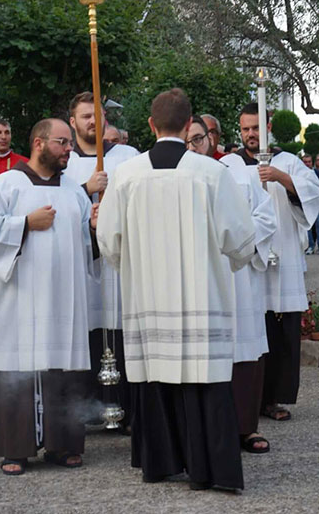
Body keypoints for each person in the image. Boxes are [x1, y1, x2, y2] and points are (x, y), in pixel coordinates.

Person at [97, 88, 256, 492]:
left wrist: (134, 262)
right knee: (203, 377)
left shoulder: (126, 175)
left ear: (151, 125)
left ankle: (161, 462)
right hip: (202, 298)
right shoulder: (210, 173)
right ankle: (209, 470)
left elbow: (109, 242)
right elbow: (239, 240)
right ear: (189, 126)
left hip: (147, 301)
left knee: (156, 376)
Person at [0, 118, 97, 475]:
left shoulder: (74, 190)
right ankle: (14, 447)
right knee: (16, 365)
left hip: (63, 298)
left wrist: (93, 226)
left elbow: (88, 245)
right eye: (62, 142)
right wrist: (26, 223)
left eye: (70, 143)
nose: (69, 149)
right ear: (39, 143)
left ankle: (63, 444)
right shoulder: (6, 185)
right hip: (18, 298)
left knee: (62, 364)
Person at [188, 114, 276, 453]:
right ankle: (205, 430)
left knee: (243, 346)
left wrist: (237, 243)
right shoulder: (176, 178)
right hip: (197, 277)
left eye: (199, 138)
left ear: (211, 139)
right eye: (187, 139)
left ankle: (245, 427)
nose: (193, 145)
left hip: (238, 274)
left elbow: (265, 216)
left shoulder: (240, 173)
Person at [237, 102, 319, 421]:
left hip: (282, 258)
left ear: (268, 127)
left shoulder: (289, 162)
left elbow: (311, 196)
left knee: (281, 335)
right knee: (254, 329)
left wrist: (282, 178)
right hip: (248, 261)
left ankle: (274, 398)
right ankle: (250, 400)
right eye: (245, 128)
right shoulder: (231, 163)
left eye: (256, 128)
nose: (250, 134)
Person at [66, 92, 138, 431]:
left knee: (121, 328)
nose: (93, 122)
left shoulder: (128, 157)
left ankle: (126, 410)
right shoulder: (63, 161)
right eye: (85, 116)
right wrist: (85, 189)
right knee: (87, 329)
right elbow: (53, 203)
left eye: (97, 115)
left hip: (120, 263)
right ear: (72, 122)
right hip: (82, 264)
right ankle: (88, 412)